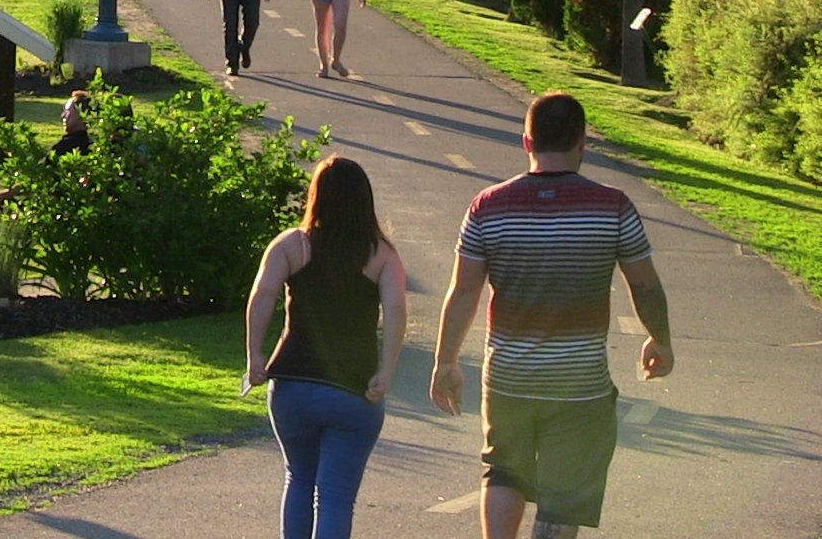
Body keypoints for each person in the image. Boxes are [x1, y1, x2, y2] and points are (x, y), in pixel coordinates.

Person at [430, 91, 675, 539]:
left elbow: (464, 290)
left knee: (502, 469)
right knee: (567, 489)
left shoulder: (488, 206)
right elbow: (644, 284)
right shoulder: (612, 206)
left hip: (508, 376)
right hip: (579, 382)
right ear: (583, 142)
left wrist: (446, 360)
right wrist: (659, 338)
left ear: (527, 142)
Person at [246, 155, 408, 539]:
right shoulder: (382, 255)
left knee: (299, 478)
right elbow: (397, 312)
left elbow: (262, 295)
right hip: (354, 389)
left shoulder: (292, 245)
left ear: (315, 196)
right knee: (335, 496)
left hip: (293, 384)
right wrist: (386, 371)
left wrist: (255, 355)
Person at [0, 91, 94, 231]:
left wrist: (0, 196)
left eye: (68, 112)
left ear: (81, 116)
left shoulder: (66, 147)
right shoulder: (89, 144)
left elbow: (38, 179)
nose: (63, 115)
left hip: (54, 206)